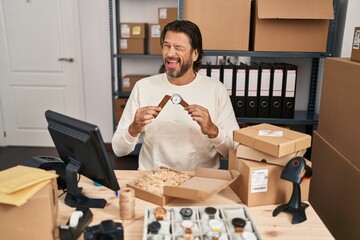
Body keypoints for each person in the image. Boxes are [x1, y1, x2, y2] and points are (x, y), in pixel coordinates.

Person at [112, 20, 239, 170]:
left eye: (178, 47)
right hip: (153, 182)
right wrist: (133, 128)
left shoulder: (216, 90)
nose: (170, 53)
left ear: (195, 54)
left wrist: (213, 131)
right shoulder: (143, 87)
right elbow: (118, 150)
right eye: (167, 46)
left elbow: (234, 152)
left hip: (199, 182)